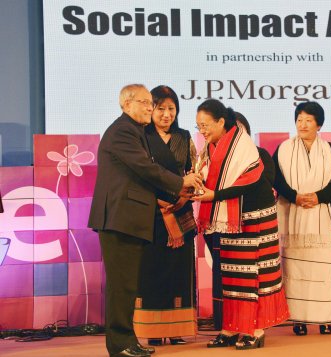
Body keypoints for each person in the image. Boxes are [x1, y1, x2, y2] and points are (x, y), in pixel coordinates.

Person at [88, 84, 202, 357]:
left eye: (151, 103)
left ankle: (128, 341)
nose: (150, 108)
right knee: (121, 285)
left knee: (127, 285)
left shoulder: (133, 130)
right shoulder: (123, 131)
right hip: (120, 218)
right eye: (145, 103)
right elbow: (145, 168)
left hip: (128, 218)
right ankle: (119, 345)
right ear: (126, 104)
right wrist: (180, 181)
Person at [193, 99, 289, 350]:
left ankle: (256, 330)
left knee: (256, 275)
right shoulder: (210, 148)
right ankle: (231, 327)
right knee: (233, 276)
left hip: (256, 215)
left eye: (205, 125)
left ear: (221, 122)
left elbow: (247, 182)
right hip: (229, 219)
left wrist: (213, 196)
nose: (201, 131)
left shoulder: (242, 143)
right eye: (198, 126)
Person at [132, 85, 198, 346]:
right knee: (152, 271)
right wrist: (156, 201)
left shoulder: (185, 137)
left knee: (179, 272)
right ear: (152, 109)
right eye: (161, 108)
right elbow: (136, 175)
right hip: (151, 215)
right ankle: (153, 331)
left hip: (181, 215)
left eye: (172, 109)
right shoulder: (141, 137)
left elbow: (194, 171)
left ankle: (176, 329)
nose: (166, 114)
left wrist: (183, 196)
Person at [273, 101, 331, 336]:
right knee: (294, 270)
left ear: (319, 124)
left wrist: (319, 196)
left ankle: (324, 318)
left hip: (320, 217)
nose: (302, 124)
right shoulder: (283, 148)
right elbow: (276, 178)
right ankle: (298, 318)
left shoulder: (330, 149)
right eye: (299, 119)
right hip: (292, 215)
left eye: (308, 120)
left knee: (322, 269)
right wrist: (295, 197)